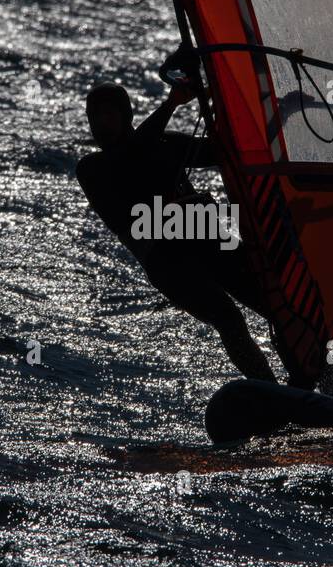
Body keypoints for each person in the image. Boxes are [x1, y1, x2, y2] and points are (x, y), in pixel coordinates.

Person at [75, 67, 280, 384]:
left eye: (108, 115)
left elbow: (225, 151)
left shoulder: (164, 143)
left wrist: (239, 105)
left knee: (277, 306)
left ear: (126, 115)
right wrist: (171, 104)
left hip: (206, 240)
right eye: (95, 118)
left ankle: (317, 381)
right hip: (169, 263)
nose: (101, 123)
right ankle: (272, 393)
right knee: (229, 319)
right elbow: (131, 156)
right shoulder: (92, 168)